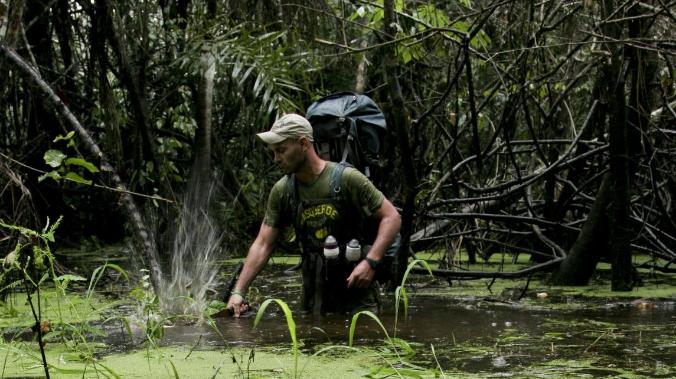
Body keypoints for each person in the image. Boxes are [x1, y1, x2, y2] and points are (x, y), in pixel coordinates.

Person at [226, 113, 401, 316]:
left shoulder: (347, 179)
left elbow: (392, 217)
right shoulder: (283, 191)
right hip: (314, 296)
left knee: (364, 342)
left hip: (358, 293)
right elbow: (263, 243)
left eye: (281, 150)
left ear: (303, 143)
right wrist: (238, 292)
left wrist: (371, 262)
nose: (276, 159)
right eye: (273, 152)